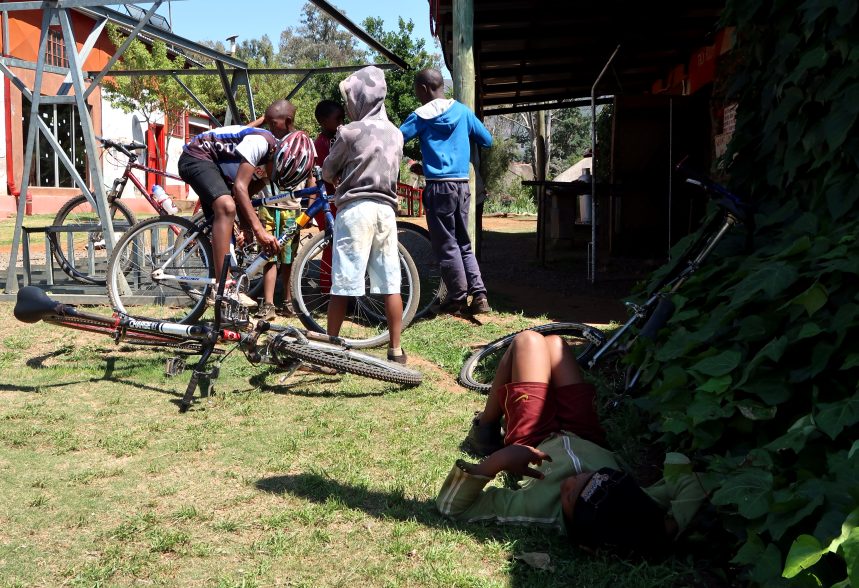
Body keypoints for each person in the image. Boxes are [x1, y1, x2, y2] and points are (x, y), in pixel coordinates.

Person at [437, 330, 709, 557]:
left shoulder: (537, 510)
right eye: (596, 476)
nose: (576, 478)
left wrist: (500, 460)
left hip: (535, 437)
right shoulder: (637, 509)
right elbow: (698, 483)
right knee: (555, 345)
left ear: (582, 540)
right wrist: (662, 532)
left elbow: (453, 508)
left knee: (527, 341)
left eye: (569, 495)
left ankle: (486, 426)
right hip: (586, 433)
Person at [178, 99, 303, 307]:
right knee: (226, 208)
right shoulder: (261, 143)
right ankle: (223, 288)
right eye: (278, 173)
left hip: (215, 166)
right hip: (197, 156)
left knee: (229, 218)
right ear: (277, 159)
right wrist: (260, 231)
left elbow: (242, 197)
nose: (274, 178)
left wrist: (246, 229)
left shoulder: (268, 169)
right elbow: (239, 189)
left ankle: (227, 304)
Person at [321, 66, 407, 364]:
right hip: (386, 210)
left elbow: (328, 170)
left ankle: (332, 347)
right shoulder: (397, 134)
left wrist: (335, 175)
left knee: (343, 282)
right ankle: (395, 349)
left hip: (355, 210)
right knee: (390, 282)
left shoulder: (350, 131)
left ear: (359, 98)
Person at [400, 68, 492, 317]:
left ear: (423, 89)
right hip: (462, 185)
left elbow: (397, 139)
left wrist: (429, 164)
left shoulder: (420, 116)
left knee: (446, 245)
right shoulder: (462, 111)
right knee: (463, 241)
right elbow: (487, 140)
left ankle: (458, 299)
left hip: (438, 187)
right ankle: (480, 295)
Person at [312, 99, 346, 298]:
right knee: (331, 244)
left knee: (336, 244)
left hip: (334, 200)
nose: (342, 123)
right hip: (327, 202)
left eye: (343, 118)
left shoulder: (334, 141)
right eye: (337, 119)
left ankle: (334, 287)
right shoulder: (321, 145)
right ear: (324, 121)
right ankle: (327, 288)